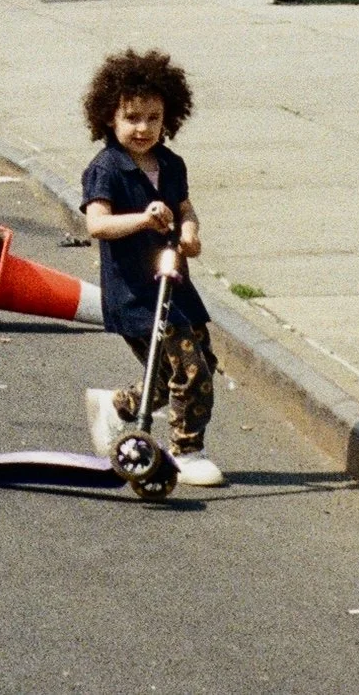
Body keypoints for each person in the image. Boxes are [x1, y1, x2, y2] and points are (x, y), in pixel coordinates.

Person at [79, 48, 225, 489]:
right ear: (109, 118)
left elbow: (184, 208)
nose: (143, 128)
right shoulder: (106, 168)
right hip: (136, 292)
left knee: (187, 367)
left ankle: (119, 405)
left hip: (175, 284)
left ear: (168, 119)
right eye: (132, 118)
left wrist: (191, 232)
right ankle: (186, 450)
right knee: (189, 371)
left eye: (153, 118)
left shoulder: (171, 164)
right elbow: (97, 223)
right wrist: (143, 218)